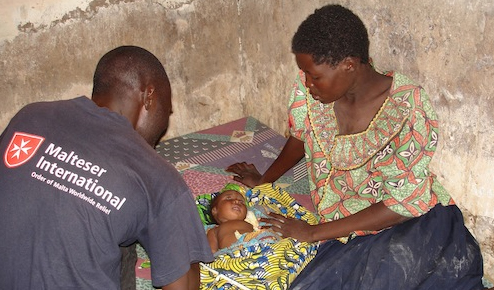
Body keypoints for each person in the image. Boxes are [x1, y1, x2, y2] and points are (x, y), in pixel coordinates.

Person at [226, 5, 486, 290]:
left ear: (349, 64)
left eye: (315, 76)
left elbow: (402, 205)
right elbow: (301, 137)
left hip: (406, 223)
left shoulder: (406, 107)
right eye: (305, 74)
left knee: (386, 278)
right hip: (344, 228)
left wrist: (312, 233)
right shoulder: (310, 92)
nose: (308, 84)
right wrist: (264, 181)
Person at [0, 46, 214, 290]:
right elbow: (183, 286)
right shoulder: (156, 175)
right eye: (167, 110)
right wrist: (186, 233)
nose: (166, 122)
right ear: (149, 97)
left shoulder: (29, 116)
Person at [206, 184, 254, 252]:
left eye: (241, 202)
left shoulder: (254, 222)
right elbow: (211, 251)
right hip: (233, 255)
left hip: (258, 249)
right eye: (229, 198)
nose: (237, 201)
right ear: (215, 210)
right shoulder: (214, 230)